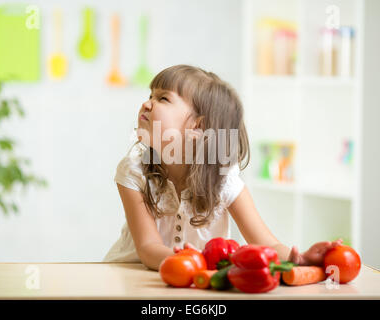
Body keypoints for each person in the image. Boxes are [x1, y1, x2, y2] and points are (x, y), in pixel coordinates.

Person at [103, 64, 343, 270]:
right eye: (150, 95)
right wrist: (201, 262)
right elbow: (148, 248)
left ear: (198, 126)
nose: (147, 103)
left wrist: (297, 260)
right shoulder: (134, 170)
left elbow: (267, 245)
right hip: (131, 277)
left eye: (162, 98)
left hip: (191, 283)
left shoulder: (224, 180)